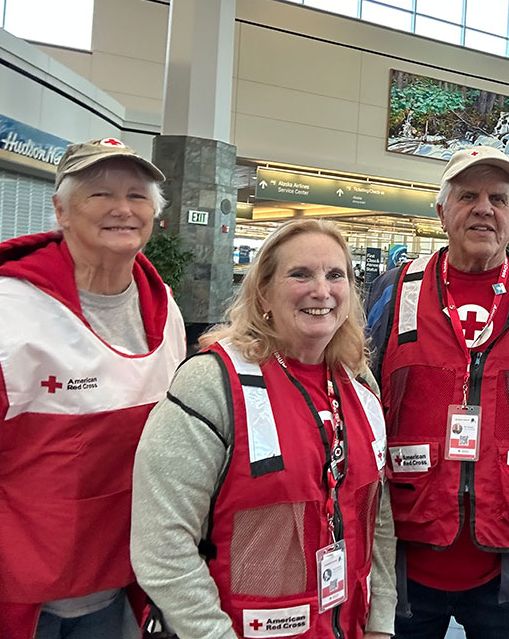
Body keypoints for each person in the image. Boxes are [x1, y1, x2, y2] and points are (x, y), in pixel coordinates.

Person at [365, 146, 509, 639]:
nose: (484, 208)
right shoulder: (395, 291)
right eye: (468, 195)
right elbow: (358, 397)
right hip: (407, 560)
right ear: (442, 211)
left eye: (498, 197)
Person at [131, 219, 396, 638]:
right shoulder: (212, 384)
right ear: (263, 293)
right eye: (300, 274)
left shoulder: (360, 384)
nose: (322, 291)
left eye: (335, 275)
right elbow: (162, 547)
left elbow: (376, 519)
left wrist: (381, 623)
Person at [0, 138, 186, 638]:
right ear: (61, 210)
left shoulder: (165, 308)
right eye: (99, 194)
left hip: (125, 584)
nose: (122, 209)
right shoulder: (7, 312)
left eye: (137, 196)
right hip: (23, 597)